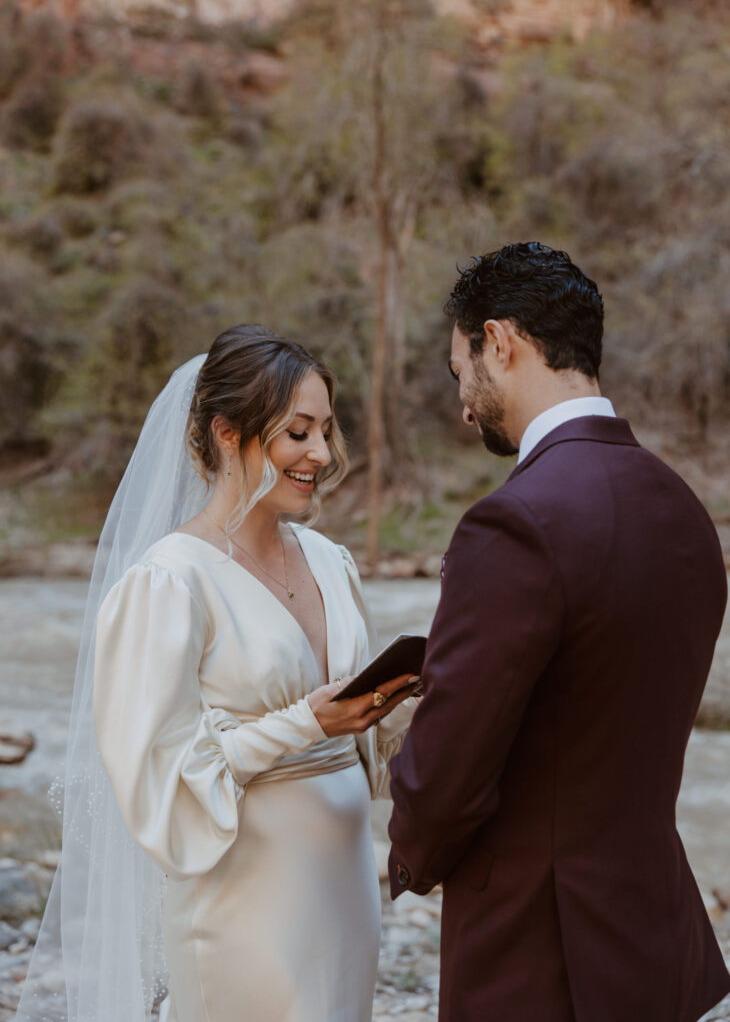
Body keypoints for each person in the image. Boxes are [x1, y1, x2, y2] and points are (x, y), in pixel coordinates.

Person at [15, 325, 417, 1022]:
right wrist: (304, 723)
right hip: (241, 907)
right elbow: (158, 779)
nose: (321, 454)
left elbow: (373, 751)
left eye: (326, 430)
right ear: (228, 434)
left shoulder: (331, 562)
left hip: (347, 892)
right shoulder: (168, 584)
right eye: (297, 434)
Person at [387, 242, 730, 1022]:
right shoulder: (683, 512)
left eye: (459, 369)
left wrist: (412, 845)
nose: (463, 403)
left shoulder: (514, 523)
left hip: (537, 957)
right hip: (655, 944)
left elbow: (446, 776)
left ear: (500, 342)